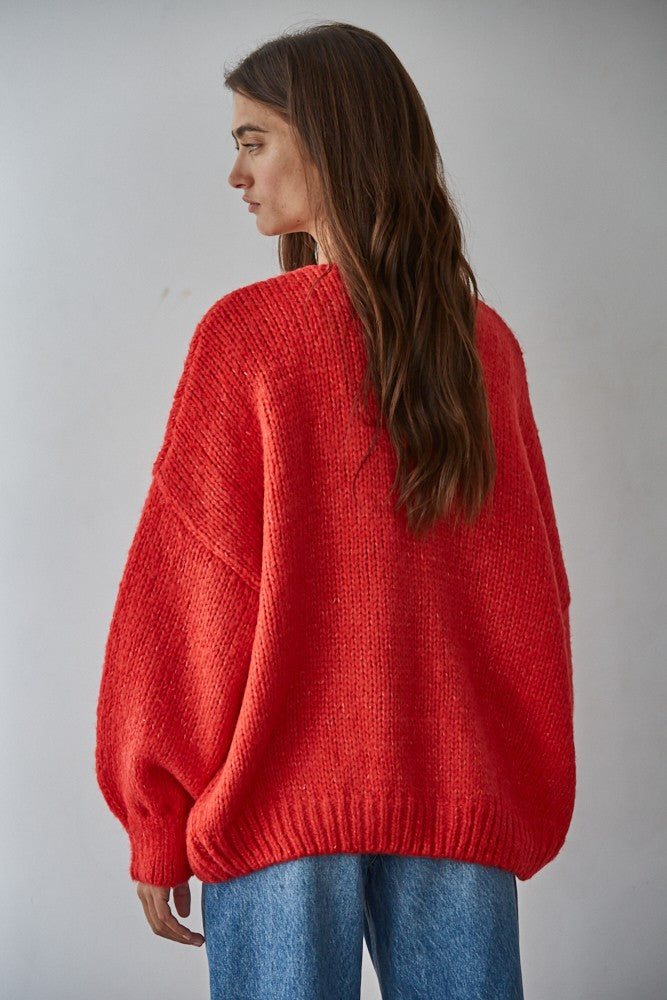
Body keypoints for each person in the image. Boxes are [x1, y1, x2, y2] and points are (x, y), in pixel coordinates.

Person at [94, 20, 575, 1000]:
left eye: (253, 140)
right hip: (457, 803)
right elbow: (533, 608)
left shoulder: (248, 339)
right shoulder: (483, 348)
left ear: (331, 141)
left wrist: (155, 815)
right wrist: (516, 790)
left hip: (279, 809)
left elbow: (188, 600)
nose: (236, 174)